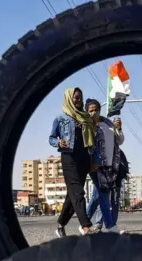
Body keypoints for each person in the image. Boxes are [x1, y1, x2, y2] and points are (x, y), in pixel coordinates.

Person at [49, 88, 98, 237]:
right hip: (69, 158)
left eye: (80, 98)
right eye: (75, 98)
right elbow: (51, 138)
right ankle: (85, 226)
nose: (78, 100)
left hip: (84, 157)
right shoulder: (60, 118)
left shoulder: (86, 117)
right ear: (69, 98)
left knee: (72, 195)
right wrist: (59, 142)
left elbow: (92, 138)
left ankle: (60, 225)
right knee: (78, 191)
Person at [84, 98, 124, 233]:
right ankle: (111, 226)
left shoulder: (107, 122)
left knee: (97, 196)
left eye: (96, 110)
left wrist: (118, 129)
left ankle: (84, 222)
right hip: (95, 164)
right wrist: (92, 126)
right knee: (103, 194)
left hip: (110, 165)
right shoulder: (86, 124)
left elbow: (119, 140)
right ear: (86, 111)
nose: (93, 113)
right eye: (90, 110)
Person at [88, 149, 128, 230]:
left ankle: (111, 225)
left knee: (113, 201)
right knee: (98, 198)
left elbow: (124, 168)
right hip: (103, 178)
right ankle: (89, 222)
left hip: (115, 180)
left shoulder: (119, 153)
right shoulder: (101, 150)